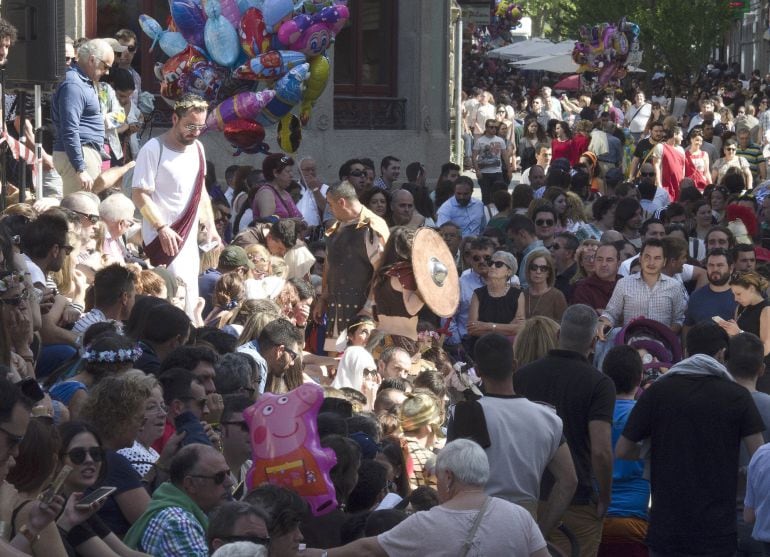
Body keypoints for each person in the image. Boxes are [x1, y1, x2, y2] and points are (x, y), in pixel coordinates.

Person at [616, 322, 765, 556]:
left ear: (685, 353)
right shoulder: (737, 396)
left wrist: (656, 450)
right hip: (716, 529)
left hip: (667, 527)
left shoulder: (658, 391)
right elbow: (760, 458)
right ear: (722, 354)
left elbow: (623, 450)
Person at [305, 439, 549, 556]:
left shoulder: (425, 523)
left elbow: (366, 549)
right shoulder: (519, 516)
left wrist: (316, 554)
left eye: (439, 478)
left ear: (450, 478)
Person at [449, 333, 577, 536]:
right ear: (515, 365)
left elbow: (449, 477)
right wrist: (541, 531)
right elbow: (569, 481)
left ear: (479, 372)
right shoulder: (548, 418)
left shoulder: (463, 413)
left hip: (473, 525)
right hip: (522, 526)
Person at [514, 304, 616, 557]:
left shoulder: (523, 376)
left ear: (558, 335)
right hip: (578, 502)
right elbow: (601, 450)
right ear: (593, 342)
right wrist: (605, 495)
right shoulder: (599, 384)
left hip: (529, 496)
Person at [131, 93, 220, 318]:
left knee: (188, 294)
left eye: (200, 127)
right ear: (174, 119)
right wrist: (162, 228)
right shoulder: (153, 148)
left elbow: (201, 192)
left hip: (188, 238)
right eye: (190, 125)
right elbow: (139, 194)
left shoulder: (198, 148)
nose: (195, 132)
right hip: (162, 237)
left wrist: (211, 225)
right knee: (168, 297)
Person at [314, 181, 389, 352]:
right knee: (334, 367)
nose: (330, 209)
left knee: (359, 366)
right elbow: (332, 269)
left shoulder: (372, 228)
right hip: (336, 311)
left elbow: (382, 273)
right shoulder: (336, 229)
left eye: (331, 204)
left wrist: (369, 309)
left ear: (342, 202)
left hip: (363, 314)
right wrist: (323, 299)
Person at [124, 443, 234, 555]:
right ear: (190, 484)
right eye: (219, 477)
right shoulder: (177, 523)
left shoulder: (188, 511)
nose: (230, 483)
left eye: (228, 474)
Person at [598, 346, 650, 556]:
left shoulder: (593, 414)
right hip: (635, 517)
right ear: (640, 378)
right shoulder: (645, 416)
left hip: (595, 515)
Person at [51, 39, 114, 195]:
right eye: (106, 66)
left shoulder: (81, 81)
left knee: (83, 212)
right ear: (92, 59)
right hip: (79, 156)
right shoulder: (74, 84)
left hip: (81, 154)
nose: (107, 72)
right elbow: (69, 128)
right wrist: (80, 168)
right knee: (80, 213)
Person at [598, 239, 687, 338]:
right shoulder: (624, 284)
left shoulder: (674, 286)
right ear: (640, 258)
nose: (651, 262)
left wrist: (666, 335)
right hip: (630, 343)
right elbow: (611, 314)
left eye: (657, 258)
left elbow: (678, 319)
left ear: (664, 261)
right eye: (647, 257)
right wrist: (602, 323)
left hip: (663, 344)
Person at [467, 251, 525, 342]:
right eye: (491, 263)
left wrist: (488, 326)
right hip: (480, 347)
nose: (492, 267)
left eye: (498, 264)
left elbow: (519, 328)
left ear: (509, 271)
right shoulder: (478, 294)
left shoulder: (517, 294)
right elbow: (472, 329)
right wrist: (507, 329)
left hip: (506, 350)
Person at [683, 248, 737, 342]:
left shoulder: (742, 296)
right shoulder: (696, 297)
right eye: (711, 265)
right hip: (702, 353)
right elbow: (688, 327)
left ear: (731, 268)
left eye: (720, 265)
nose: (715, 269)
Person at [71, 263, 137, 335]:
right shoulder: (101, 333)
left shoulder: (92, 322)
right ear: (124, 297)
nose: (135, 301)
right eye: (134, 297)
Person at [252, 153, 303, 220]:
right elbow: (266, 224)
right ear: (275, 173)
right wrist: (294, 222)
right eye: (288, 171)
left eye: (291, 171)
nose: (291, 175)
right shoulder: (266, 193)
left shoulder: (285, 193)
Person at [522, 249, 567, 322]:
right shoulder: (522, 295)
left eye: (543, 268)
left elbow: (564, 325)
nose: (538, 271)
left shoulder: (557, 296)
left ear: (548, 272)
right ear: (528, 270)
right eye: (534, 267)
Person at [472, 119, 507, 206]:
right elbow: (474, 157)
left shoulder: (500, 140)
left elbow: (505, 156)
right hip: (484, 173)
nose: (494, 129)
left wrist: (509, 170)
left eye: (496, 127)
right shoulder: (480, 141)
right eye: (491, 127)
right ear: (486, 128)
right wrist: (477, 171)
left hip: (497, 172)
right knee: (486, 196)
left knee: (499, 195)